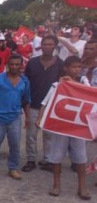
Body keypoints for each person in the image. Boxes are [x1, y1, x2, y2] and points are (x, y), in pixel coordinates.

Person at [36, 56, 91, 200]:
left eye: (79, 67)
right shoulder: (57, 84)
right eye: (73, 67)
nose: (76, 70)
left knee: (80, 156)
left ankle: (82, 186)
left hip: (78, 126)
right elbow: (45, 102)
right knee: (56, 155)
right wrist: (40, 118)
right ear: (66, 68)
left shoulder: (84, 82)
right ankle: (56, 184)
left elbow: (91, 97)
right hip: (61, 125)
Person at [0, 54, 31, 179]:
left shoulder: (25, 81)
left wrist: (27, 117)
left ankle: (13, 167)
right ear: (7, 65)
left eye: (17, 64)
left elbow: (26, 101)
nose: (14, 67)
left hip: (15, 117)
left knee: (15, 144)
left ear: (21, 66)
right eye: (11, 64)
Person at [22, 35, 64, 172]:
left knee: (49, 136)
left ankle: (48, 160)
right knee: (31, 134)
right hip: (33, 103)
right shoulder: (33, 62)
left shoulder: (60, 64)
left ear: (55, 46)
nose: (47, 47)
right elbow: (25, 82)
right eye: (45, 44)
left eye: (50, 44)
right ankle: (31, 159)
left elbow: (63, 84)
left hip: (52, 106)